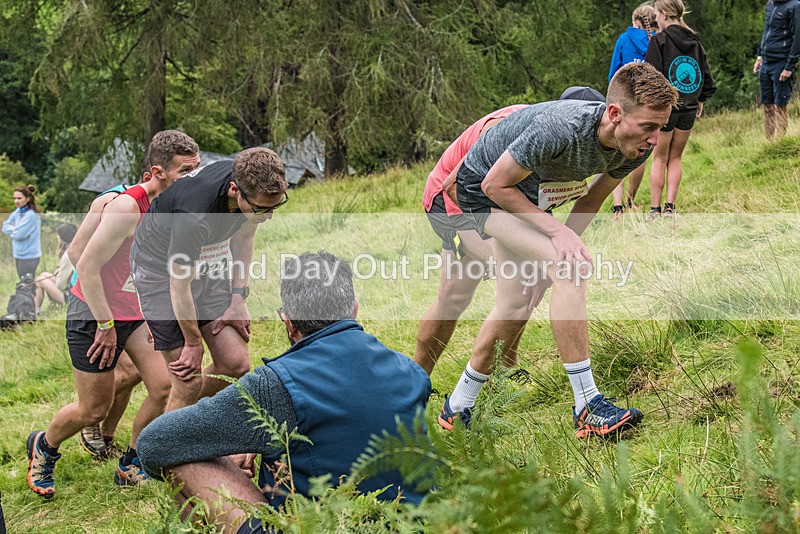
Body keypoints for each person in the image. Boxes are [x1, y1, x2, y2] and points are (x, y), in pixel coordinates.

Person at [438, 62, 677, 438]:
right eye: (648, 126)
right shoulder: (562, 127)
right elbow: (493, 186)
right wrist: (559, 241)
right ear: (614, 114)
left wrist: (564, 246)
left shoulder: (633, 147)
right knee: (572, 269)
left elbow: (589, 202)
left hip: (525, 195)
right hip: (482, 192)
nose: (654, 138)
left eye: (660, 127)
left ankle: (457, 407)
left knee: (514, 305)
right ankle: (587, 405)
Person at [137, 251, 431, 533]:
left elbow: (154, 442)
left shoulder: (274, 385)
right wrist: (258, 440)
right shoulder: (412, 373)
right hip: (413, 525)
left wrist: (227, 458)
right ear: (354, 307)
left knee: (182, 455)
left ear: (287, 321)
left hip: (320, 526)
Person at [26, 131, 201, 498]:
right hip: (93, 314)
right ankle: (44, 446)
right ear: (158, 171)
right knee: (92, 408)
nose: (194, 177)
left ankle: (132, 464)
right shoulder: (125, 207)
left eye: (197, 168)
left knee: (164, 385)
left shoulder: (174, 206)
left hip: (135, 312)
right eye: (186, 170)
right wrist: (105, 321)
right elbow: (83, 263)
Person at [415, 87, 605, 376]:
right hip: (455, 198)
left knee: (530, 275)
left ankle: (505, 367)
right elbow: (457, 184)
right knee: (457, 296)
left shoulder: (583, 144)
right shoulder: (520, 125)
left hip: (514, 198)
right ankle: (417, 377)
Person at [131, 147, 288, 411]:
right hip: (160, 272)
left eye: (276, 206)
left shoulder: (251, 176)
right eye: (262, 209)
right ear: (235, 190)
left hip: (209, 260)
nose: (269, 216)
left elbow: (243, 237)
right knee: (187, 382)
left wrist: (238, 298)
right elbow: (178, 285)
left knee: (235, 363)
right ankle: (160, 447)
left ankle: (179, 424)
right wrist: (193, 342)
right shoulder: (193, 217)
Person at [645, 0, 716, 218]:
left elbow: (651, 77)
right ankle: (670, 208)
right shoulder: (695, 42)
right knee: (675, 158)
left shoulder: (660, 41)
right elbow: (707, 78)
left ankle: (655, 210)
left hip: (666, 110)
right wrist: (700, 99)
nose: (655, 18)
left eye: (656, 13)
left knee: (659, 158)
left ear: (665, 14)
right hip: (689, 110)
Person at [608, 2, 658, 220]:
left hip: (623, 103)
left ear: (635, 21)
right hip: (646, 107)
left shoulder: (623, 39)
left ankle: (617, 208)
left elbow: (615, 72)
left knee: (616, 152)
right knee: (640, 153)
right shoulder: (656, 41)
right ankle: (630, 200)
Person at [754, 0, 800, 141]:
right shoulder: (770, 4)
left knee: (780, 106)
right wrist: (760, 56)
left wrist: (789, 66)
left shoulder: (795, 6)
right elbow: (766, 31)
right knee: (767, 106)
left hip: (782, 63)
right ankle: (769, 142)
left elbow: (798, 37)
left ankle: (780, 143)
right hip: (766, 62)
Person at [33, 223, 78, 313]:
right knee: (44, 275)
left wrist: (59, 274)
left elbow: (60, 285)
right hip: (75, 290)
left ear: (63, 238)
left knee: (39, 280)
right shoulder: (76, 249)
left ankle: (35, 311)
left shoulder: (67, 255)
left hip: (70, 296)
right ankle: (37, 309)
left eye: (58, 236)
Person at [3, 185, 42, 279]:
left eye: (19, 198)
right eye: (15, 198)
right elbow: (4, 227)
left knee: (27, 286)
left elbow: (19, 235)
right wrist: (16, 228)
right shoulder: (17, 212)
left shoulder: (31, 215)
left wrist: (13, 229)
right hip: (19, 255)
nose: (16, 201)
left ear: (27, 198)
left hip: (29, 257)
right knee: (23, 284)